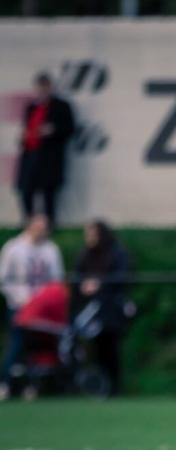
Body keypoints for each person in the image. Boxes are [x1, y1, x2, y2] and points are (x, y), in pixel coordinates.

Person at [0, 214, 64, 400]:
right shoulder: (14, 248)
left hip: (43, 308)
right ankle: (5, 383)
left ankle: (32, 386)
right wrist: (20, 298)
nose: (42, 231)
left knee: (39, 347)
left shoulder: (51, 249)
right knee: (17, 345)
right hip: (20, 305)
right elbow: (4, 279)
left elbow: (56, 280)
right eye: (39, 226)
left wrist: (44, 299)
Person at [74, 219, 130, 396]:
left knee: (111, 349)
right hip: (92, 310)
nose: (89, 238)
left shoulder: (116, 252)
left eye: (93, 234)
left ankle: (115, 387)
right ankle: (100, 386)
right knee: (95, 349)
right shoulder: (85, 254)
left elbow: (121, 278)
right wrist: (83, 286)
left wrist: (100, 284)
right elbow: (77, 277)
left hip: (110, 310)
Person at [15, 72, 75, 228]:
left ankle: (48, 226)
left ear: (50, 87)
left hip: (49, 157)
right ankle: (29, 224)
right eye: (39, 87)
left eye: (44, 87)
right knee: (26, 190)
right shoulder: (31, 107)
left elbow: (69, 129)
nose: (41, 91)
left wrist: (52, 130)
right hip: (30, 154)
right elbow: (27, 128)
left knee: (49, 193)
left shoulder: (61, 106)